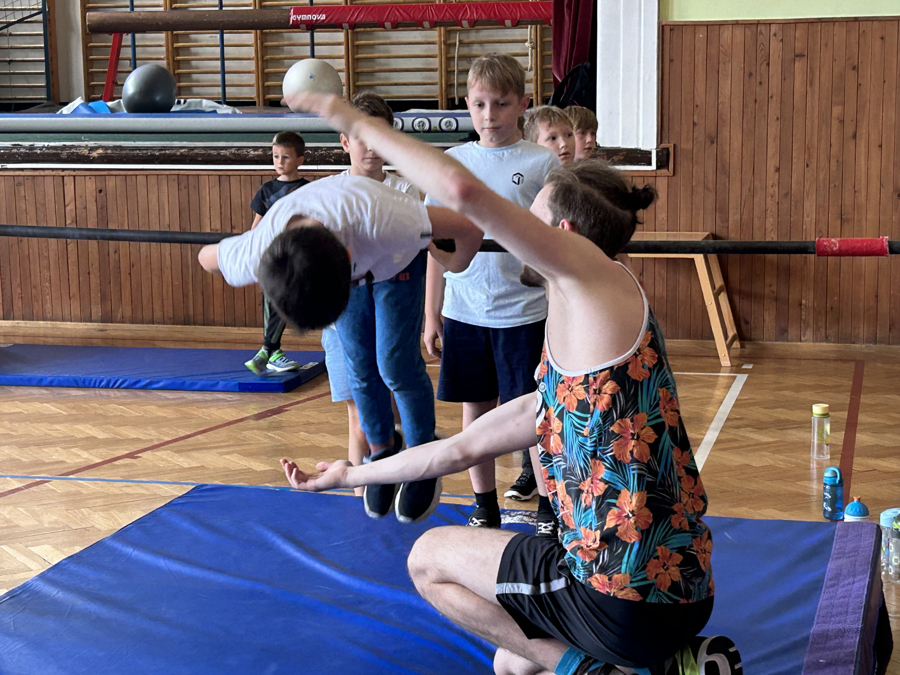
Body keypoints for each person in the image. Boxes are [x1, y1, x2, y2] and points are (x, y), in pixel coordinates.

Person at [280, 92, 740, 675]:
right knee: (511, 663)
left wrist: (349, 121)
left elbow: (468, 196)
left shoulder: (599, 286)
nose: (517, 224)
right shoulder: (574, 366)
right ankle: (672, 664)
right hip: (683, 594)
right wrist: (350, 474)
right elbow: (460, 448)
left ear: (564, 233)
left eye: (533, 212)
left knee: (427, 559)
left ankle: (599, 670)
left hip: (618, 596)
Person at [197, 169, 483, 524]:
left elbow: (470, 228)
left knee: (395, 364)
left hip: (397, 260)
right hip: (332, 261)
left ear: (349, 258)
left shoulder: (387, 218)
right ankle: (381, 450)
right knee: (359, 367)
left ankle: (422, 453)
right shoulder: (259, 250)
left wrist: (456, 263)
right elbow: (206, 258)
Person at [424, 53, 560, 532]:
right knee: (476, 413)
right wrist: (431, 315)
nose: (489, 116)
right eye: (480, 105)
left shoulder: (543, 162)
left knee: (534, 416)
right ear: (467, 104)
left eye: (500, 104)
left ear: (522, 105)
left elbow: (559, 237)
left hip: (524, 312)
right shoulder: (453, 164)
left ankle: (547, 509)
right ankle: (485, 506)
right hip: (465, 311)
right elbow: (436, 247)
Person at [322, 90, 419, 496]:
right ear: (345, 142)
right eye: (362, 136)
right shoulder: (328, 194)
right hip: (344, 316)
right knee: (357, 412)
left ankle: (402, 476)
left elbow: (415, 258)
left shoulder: (407, 193)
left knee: (391, 398)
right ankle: (365, 488)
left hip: (392, 311)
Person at [245, 131, 309, 374]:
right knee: (272, 302)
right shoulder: (267, 190)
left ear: (300, 160)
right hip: (270, 257)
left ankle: (269, 350)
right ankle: (271, 351)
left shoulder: (306, 189)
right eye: (275, 157)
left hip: (293, 257)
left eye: (285, 157)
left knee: (284, 301)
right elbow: (256, 226)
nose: (279, 162)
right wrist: (254, 250)